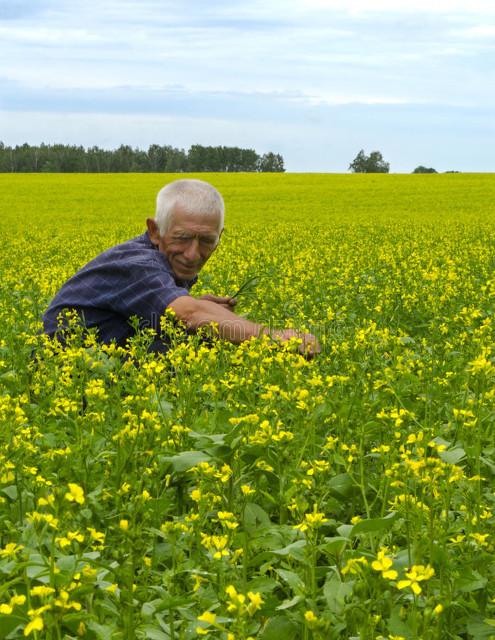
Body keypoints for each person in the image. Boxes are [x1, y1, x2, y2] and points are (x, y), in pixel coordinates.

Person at [43, 179, 320, 356]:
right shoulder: (138, 265)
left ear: (219, 237)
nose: (192, 254)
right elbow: (189, 315)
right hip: (65, 376)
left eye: (206, 241)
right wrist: (276, 338)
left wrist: (195, 303)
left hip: (99, 366)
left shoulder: (161, 260)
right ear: (155, 231)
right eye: (182, 238)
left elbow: (173, 311)